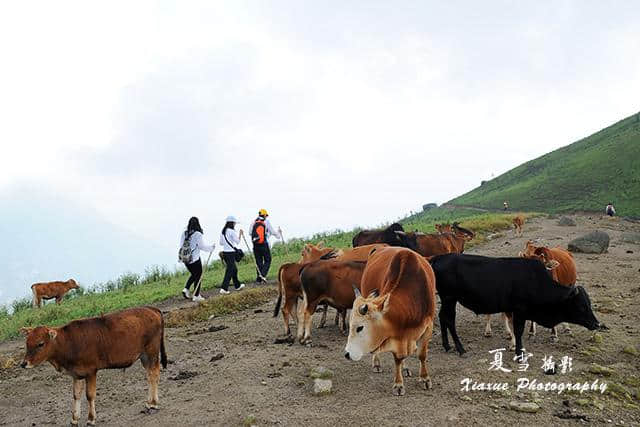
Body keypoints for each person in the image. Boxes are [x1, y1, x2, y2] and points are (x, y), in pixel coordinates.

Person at [179, 217, 215, 302]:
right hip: (195, 259)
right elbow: (202, 246)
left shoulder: (184, 233)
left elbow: (181, 245)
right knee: (198, 276)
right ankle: (196, 295)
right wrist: (211, 248)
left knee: (194, 274)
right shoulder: (197, 234)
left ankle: (186, 289)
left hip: (185, 259)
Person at [251, 209, 282, 283]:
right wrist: (279, 234)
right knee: (268, 259)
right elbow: (273, 232)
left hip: (255, 245)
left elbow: (250, 232)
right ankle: (263, 275)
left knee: (259, 261)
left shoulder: (254, 222)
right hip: (264, 244)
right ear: (264, 215)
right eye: (266, 215)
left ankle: (259, 279)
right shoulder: (266, 222)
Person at [219, 216, 246, 294]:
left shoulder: (223, 231)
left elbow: (221, 243)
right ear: (232, 223)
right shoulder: (231, 231)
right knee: (230, 270)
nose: (235, 224)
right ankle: (224, 288)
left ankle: (237, 285)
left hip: (225, 253)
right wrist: (240, 234)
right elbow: (237, 241)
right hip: (231, 253)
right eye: (234, 223)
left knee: (234, 269)